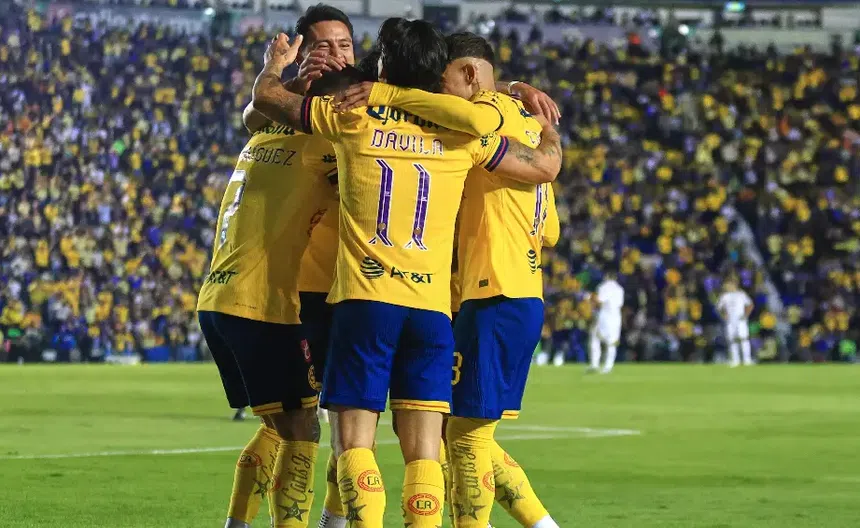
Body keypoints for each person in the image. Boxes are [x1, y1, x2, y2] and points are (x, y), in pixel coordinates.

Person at [250, 18, 561, 528]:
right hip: (431, 313)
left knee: (354, 444)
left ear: (383, 68)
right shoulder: (465, 134)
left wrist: (275, 66)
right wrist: (531, 110)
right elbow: (544, 164)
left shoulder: (352, 117)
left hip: (365, 303)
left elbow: (266, 100)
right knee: (425, 455)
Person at [337, 32, 562, 528]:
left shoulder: (480, 118)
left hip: (487, 291)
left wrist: (388, 94)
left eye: (443, 82)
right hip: (513, 292)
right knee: (451, 433)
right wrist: (529, 103)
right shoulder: (523, 120)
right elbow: (551, 229)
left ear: (469, 75)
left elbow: (486, 122)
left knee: (463, 437)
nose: (439, 95)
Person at [197, 7, 356, 528]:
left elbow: (259, 109)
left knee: (280, 427)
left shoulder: (265, 129)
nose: (336, 56)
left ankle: (238, 524)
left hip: (225, 297)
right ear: (303, 55)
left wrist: (278, 75)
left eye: (345, 45)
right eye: (324, 46)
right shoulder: (324, 138)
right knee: (308, 431)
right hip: (270, 302)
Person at [589, 269, 625, 374]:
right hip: (616, 317)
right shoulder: (620, 289)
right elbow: (620, 304)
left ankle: (595, 364)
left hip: (605, 315)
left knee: (595, 338)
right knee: (612, 342)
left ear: (607, 277)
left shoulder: (603, 287)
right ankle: (608, 366)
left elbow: (599, 301)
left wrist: (589, 297)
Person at [717, 276, 754, 367]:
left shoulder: (741, 294)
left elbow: (750, 305)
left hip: (740, 320)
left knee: (744, 339)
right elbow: (719, 307)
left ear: (734, 285)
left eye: (728, 284)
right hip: (730, 321)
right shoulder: (724, 296)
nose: (727, 286)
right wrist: (724, 315)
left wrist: (745, 315)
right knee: (732, 340)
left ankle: (747, 360)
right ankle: (735, 360)